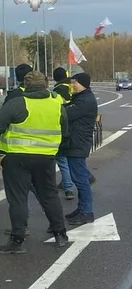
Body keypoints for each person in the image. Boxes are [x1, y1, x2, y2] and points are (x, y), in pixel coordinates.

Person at [0, 71, 69, 254]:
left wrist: (2, 154)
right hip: (46, 158)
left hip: (17, 158)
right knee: (49, 196)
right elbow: (66, 133)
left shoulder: (17, 103)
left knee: (18, 199)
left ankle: (17, 240)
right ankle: (60, 234)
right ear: (46, 84)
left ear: (26, 84)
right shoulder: (57, 104)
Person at [61, 72, 98, 227]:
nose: (72, 85)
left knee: (81, 179)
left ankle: (87, 212)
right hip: (74, 143)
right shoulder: (80, 98)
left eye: (75, 82)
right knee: (79, 177)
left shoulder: (85, 101)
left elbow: (65, 114)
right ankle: (82, 208)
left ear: (83, 83)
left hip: (78, 143)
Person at [52, 67, 76, 200]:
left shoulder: (58, 90)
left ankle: (67, 187)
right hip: (73, 126)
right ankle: (68, 187)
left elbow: (56, 108)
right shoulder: (72, 86)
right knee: (68, 158)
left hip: (61, 127)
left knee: (60, 159)